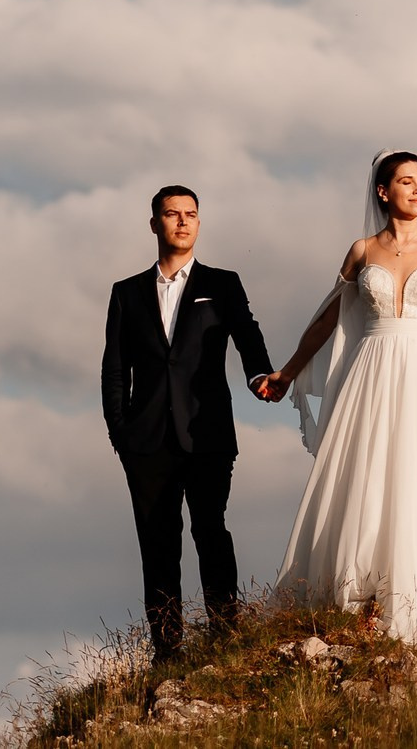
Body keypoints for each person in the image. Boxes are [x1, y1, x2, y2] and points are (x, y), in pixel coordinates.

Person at [259, 151, 417, 655]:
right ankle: (356, 598)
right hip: (371, 375)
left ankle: (414, 604)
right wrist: (287, 372)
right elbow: (328, 319)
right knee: (365, 475)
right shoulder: (362, 251)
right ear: (383, 191)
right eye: (405, 181)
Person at [100, 185, 279, 658]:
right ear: (154, 223)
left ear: (199, 222)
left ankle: (225, 636)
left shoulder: (223, 284)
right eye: (172, 214)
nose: (182, 221)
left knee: (210, 531)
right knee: (157, 547)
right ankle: (167, 651)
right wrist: (122, 433)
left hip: (208, 435)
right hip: (146, 442)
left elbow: (247, 335)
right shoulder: (126, 293)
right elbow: (114, 370)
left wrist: (260, 373)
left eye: (191, 214)